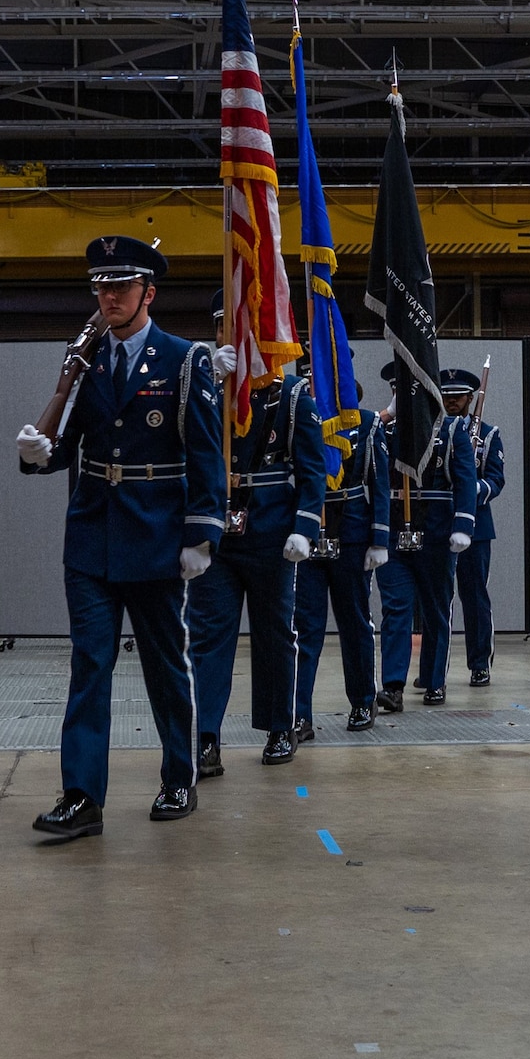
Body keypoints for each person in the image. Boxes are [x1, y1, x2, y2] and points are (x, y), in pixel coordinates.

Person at [16, 236, 224, 837]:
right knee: (89, 664)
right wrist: (38, 454)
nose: (108, 295)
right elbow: (68, 443)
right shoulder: (84, 362)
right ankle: (82, 796)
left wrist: (201, 534)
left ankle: (179, 775)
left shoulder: (185, 360)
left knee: (164, 666)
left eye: (121, 286)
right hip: (90, 533)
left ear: (148, 293)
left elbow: (206, 455)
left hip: (159, 533)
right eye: (101, 287)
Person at [194, 310, 327, 770]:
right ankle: (205, 737)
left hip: (273, 536)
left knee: (274, 635)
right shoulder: (205, 387)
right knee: (209, 638)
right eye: (224, 327)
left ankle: (279, 726)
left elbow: (313, 472)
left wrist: (305, 529)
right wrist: (208, 385)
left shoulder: (292, 398)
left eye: (245, 327)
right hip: (217, 538)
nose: (235, 337)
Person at [375, 363, 478, 708]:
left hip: (435, 535)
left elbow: (464, 480)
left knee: (435, 610)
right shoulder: (384, 432)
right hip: (393, 533)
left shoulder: (450, 431)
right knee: (396, 609)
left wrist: (463, 525)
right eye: (397, 392)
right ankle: (393, 685)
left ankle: (435, 680)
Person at [294, 382, 390, 735]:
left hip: (350, 534)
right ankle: (299, 712)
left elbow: (378, 482)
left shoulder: (366, 423)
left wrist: (380, 538)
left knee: (354, 623)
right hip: (307, 534)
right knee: (305, 627)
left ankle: (364, 699)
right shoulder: (299, 417)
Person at [448, 370, 506, 688]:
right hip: (440, 524)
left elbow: (496, 479)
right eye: (447, 395)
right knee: (437, 599)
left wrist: (470, 491)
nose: (452, 401)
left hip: (476, 527)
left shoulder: (488, 434)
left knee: (474, 595)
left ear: (471, 398)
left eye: (458, 396)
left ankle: (479, 663)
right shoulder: (431, 431)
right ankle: (434, 671)